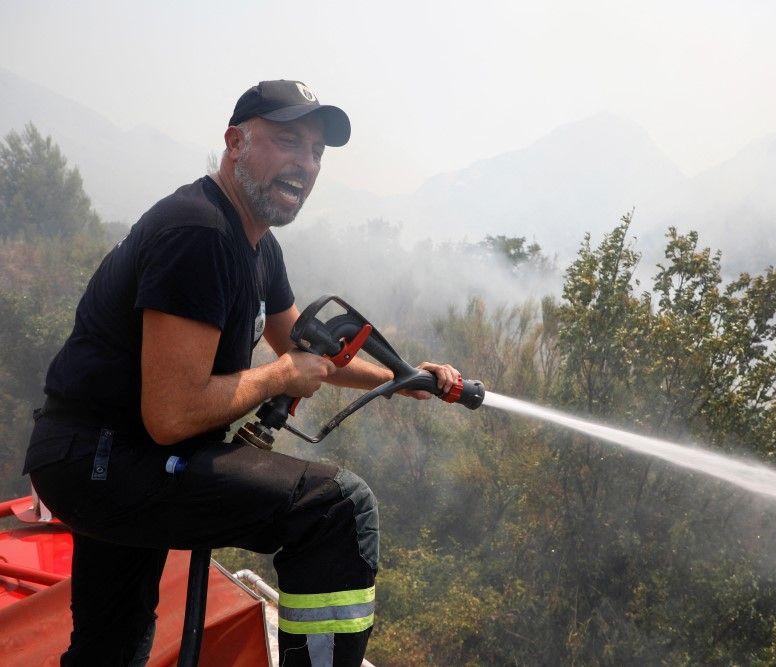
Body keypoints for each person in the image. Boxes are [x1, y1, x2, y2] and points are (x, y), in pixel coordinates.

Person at [23, 79, 460, 667]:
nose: (304, 165)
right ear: (235, 142)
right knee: (335, 509)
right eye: (287, 141)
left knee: (113, 643)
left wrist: (402, 378)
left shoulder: (256, 245)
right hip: (106, 459)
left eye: (315, 153)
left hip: (100, 458)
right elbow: (174, 414)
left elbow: (306, 349)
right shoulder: (198, 233)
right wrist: (279, 376)